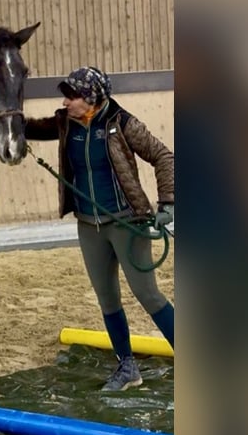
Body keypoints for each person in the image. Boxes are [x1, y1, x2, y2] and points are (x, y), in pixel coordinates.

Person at [24, 66, 174, 391]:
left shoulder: (122, 123)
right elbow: (30, 128)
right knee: (107, 299)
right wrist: (5, 122)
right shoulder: (66, 123)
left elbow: (164, 156)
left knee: (148, 294)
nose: (65, 102)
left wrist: (168, 204)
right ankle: (127, 367)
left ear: (91, 98)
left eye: (72, 96)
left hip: (126, 222)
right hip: (88, 226)